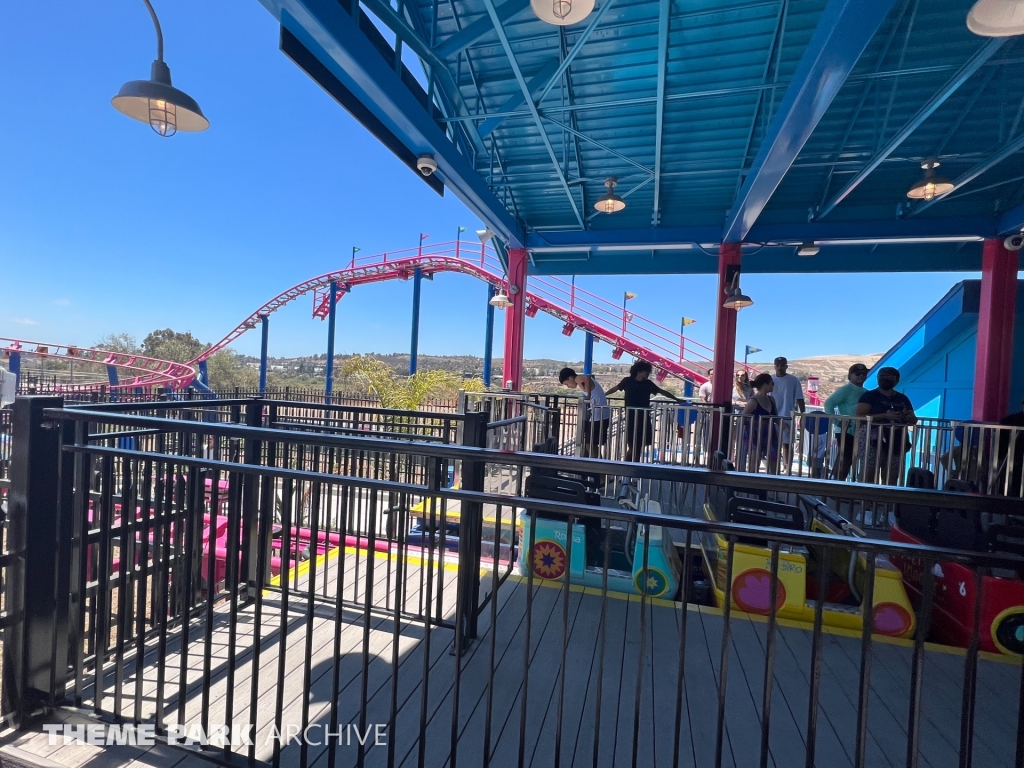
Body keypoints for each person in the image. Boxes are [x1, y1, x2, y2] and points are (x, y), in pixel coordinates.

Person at [606, 360, 681, 462]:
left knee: (639, 445)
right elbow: (615, 389)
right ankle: (629, 467)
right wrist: (604, 395)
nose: (648, 374)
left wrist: (677, 399)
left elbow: (662, 392)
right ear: (639, 371)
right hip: (631, 418)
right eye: (646, 372)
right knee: (633, 445)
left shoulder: (648, 384)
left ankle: (631, 468)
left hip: (643, 418)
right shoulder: (627, 381)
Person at [855, 366, 917, 485]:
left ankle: (886, 502)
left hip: (897, 440)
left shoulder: (902, 398)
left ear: (896, 380)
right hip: (872, 440)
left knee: (892, 473)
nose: (885, 378)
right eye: (882, 376)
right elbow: (860, 416)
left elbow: (913, 420)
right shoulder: (869, 396)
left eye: (889, 376)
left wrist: (908, 417)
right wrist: (885, 416)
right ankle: (863, 500)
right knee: (869, 471)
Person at [823, 363, 869, 480]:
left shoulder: (866, 391)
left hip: (860, 430)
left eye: (864, 374)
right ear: (850, 376)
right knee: (845, 458)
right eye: (857, 374)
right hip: (846, 430)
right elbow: (828, 403)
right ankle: (837, 487)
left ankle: (843, 486)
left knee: (853, 459)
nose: (861, 376)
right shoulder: (845, 389)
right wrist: (837, 421)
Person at [558, 367, 610, 457]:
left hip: (598, 415)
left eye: (567, 384)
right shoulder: (580, 383)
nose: (568, 386)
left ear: (571, 378)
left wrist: (589, 395)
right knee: (591, 444)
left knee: (590, 444)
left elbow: (587, 377)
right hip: (600, 414)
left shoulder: (577, 379)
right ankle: (599, 466)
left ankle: (597, 467)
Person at [770, 357, 805, 473]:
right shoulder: (770, 379)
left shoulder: (794, 380)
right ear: (774, 366)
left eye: (782, 365)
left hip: (787, 416)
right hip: (772, 416)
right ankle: (774, 468)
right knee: (773, 443)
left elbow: (800, 398)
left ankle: (787, 467)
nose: (780, 367)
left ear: (786, 366)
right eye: (778, 365)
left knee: (787, 444)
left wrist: (802, 415)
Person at [741, 373, 779, 472]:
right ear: (765, 385)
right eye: (772, 383)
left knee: (774, 459)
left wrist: (786, 426)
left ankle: (772, 483)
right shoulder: (753, 402)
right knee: (755, 460)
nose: (773, 385)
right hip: (755, 434)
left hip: (770, 434)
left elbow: (775, 417)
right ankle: (753, 484)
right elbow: (743, 418)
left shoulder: (771, 400)